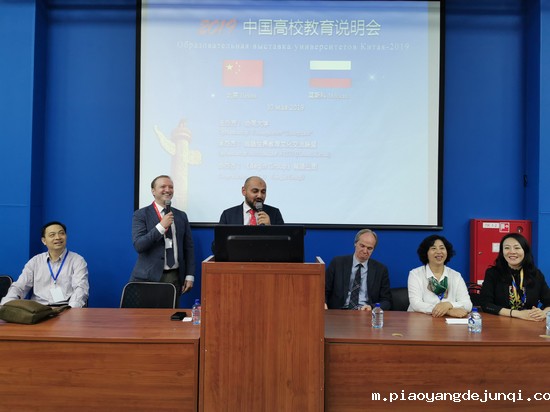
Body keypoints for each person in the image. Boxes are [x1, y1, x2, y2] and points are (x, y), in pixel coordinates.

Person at [130, 175, 195, 304]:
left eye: (171, 187)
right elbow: (139, 245)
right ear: (153, 191)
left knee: (170, 315)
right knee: (146, 316)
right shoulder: (141, 215)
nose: (168, 190)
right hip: (147, 278)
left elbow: (188, 248)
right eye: (163, 187)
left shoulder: (181, 216)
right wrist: (161, 226)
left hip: (174, 277)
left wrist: (189, 275)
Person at [0, 221, 89, 308]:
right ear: (44, 240)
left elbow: (81, 288)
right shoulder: (35, 261)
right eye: (52, 235)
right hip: (38, 310)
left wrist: (71, 309)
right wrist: (5, 305)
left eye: (61, 233)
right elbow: (19, 287)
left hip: (65, 308)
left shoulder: (77, 260)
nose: (58, 237)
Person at [479, 233, 550, 321]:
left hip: (529, 323)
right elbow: (485, 304)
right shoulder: (493, 273)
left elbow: (548, 302)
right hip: (501, 323)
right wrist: (518, 314)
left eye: (517, 248)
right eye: (507, 248)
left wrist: (544, 313)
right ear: (502, 252)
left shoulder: (535, 274)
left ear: (525, 250)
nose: (512, 252)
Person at [325, 229, 392, 311]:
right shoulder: (337, 263)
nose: (365, 251)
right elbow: (323, 290)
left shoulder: (380, 270)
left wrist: (372, 307)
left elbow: (386, 301)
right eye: (362, 246)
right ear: (355, 243)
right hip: (339, 312)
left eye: (369, 248)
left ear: (373, 249)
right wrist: (323, 303)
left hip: (365, 312)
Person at [407, 235, 472, 317]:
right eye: (433, 248)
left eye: (442, 248)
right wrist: (447, 311)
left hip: (448, 322)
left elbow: (468, 304)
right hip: (421, 319)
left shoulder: (456, 276)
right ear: (426, 253)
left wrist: (449, 304)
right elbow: (416, 304)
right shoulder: (415, 274)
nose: (439, 252)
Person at [219, 176, 284, 225]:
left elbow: (284, 239)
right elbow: (219, 239)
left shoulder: (275, 213)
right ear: (244, 191)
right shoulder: (228, 215)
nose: (260, 196)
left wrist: (270, 228)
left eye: (263, 192)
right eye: (255, 191)